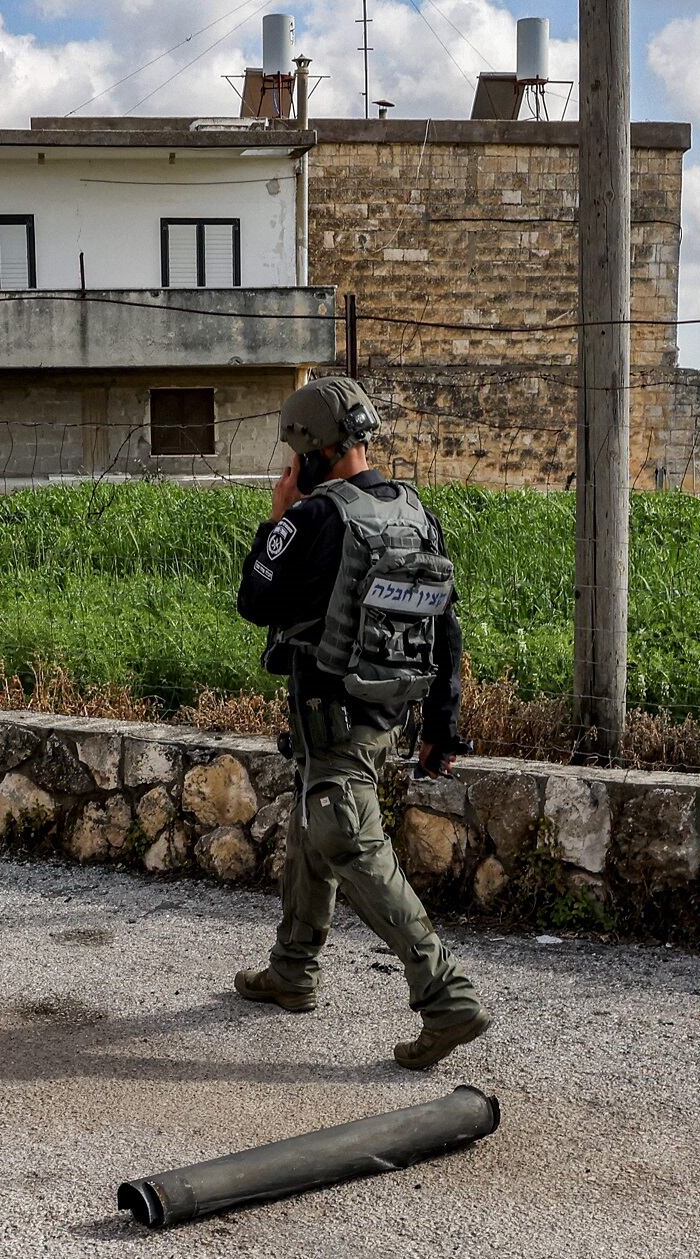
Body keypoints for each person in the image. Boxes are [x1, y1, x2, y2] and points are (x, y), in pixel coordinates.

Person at [233, 376, 491, 1071]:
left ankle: (445, 994)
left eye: (294, 454)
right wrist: (441, 726)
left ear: (310, 452)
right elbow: (446, 627)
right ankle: (293, 969)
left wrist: (278, 519)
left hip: (333, 715)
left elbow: (254, 600)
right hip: (388, 715)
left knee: (346, 837)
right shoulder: (413, 512)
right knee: (313, 820)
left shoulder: (315, 518)